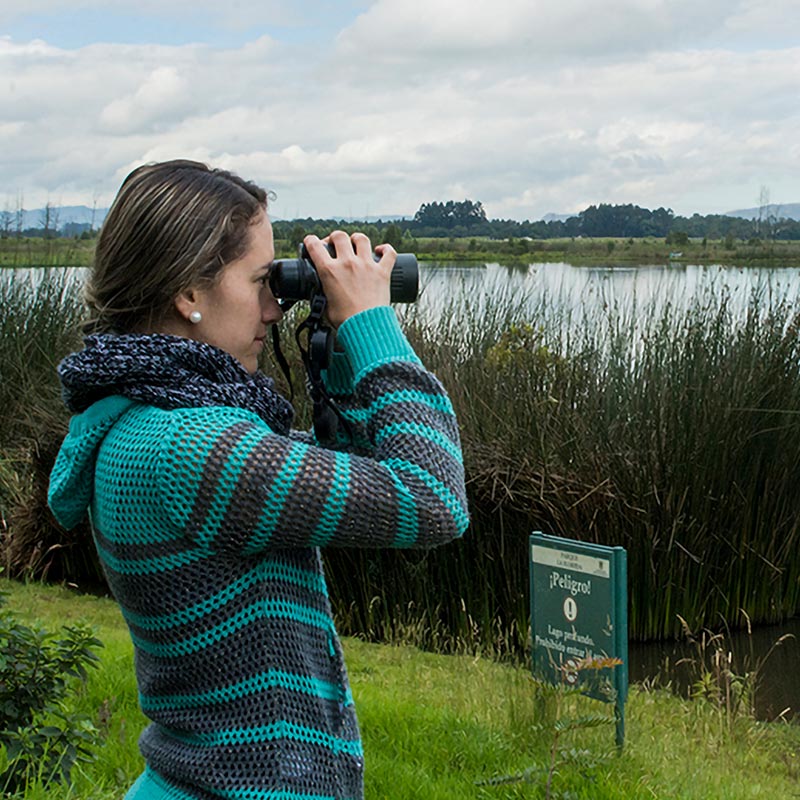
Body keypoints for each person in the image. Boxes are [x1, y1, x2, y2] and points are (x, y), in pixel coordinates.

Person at [47, 159, 469, 800]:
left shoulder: (138, 425)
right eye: (260, 281)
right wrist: (372, 329)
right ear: (189, 294)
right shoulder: (191, 448)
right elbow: (432, 498)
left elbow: (345, 468)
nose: (276, 306)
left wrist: (336, 345)